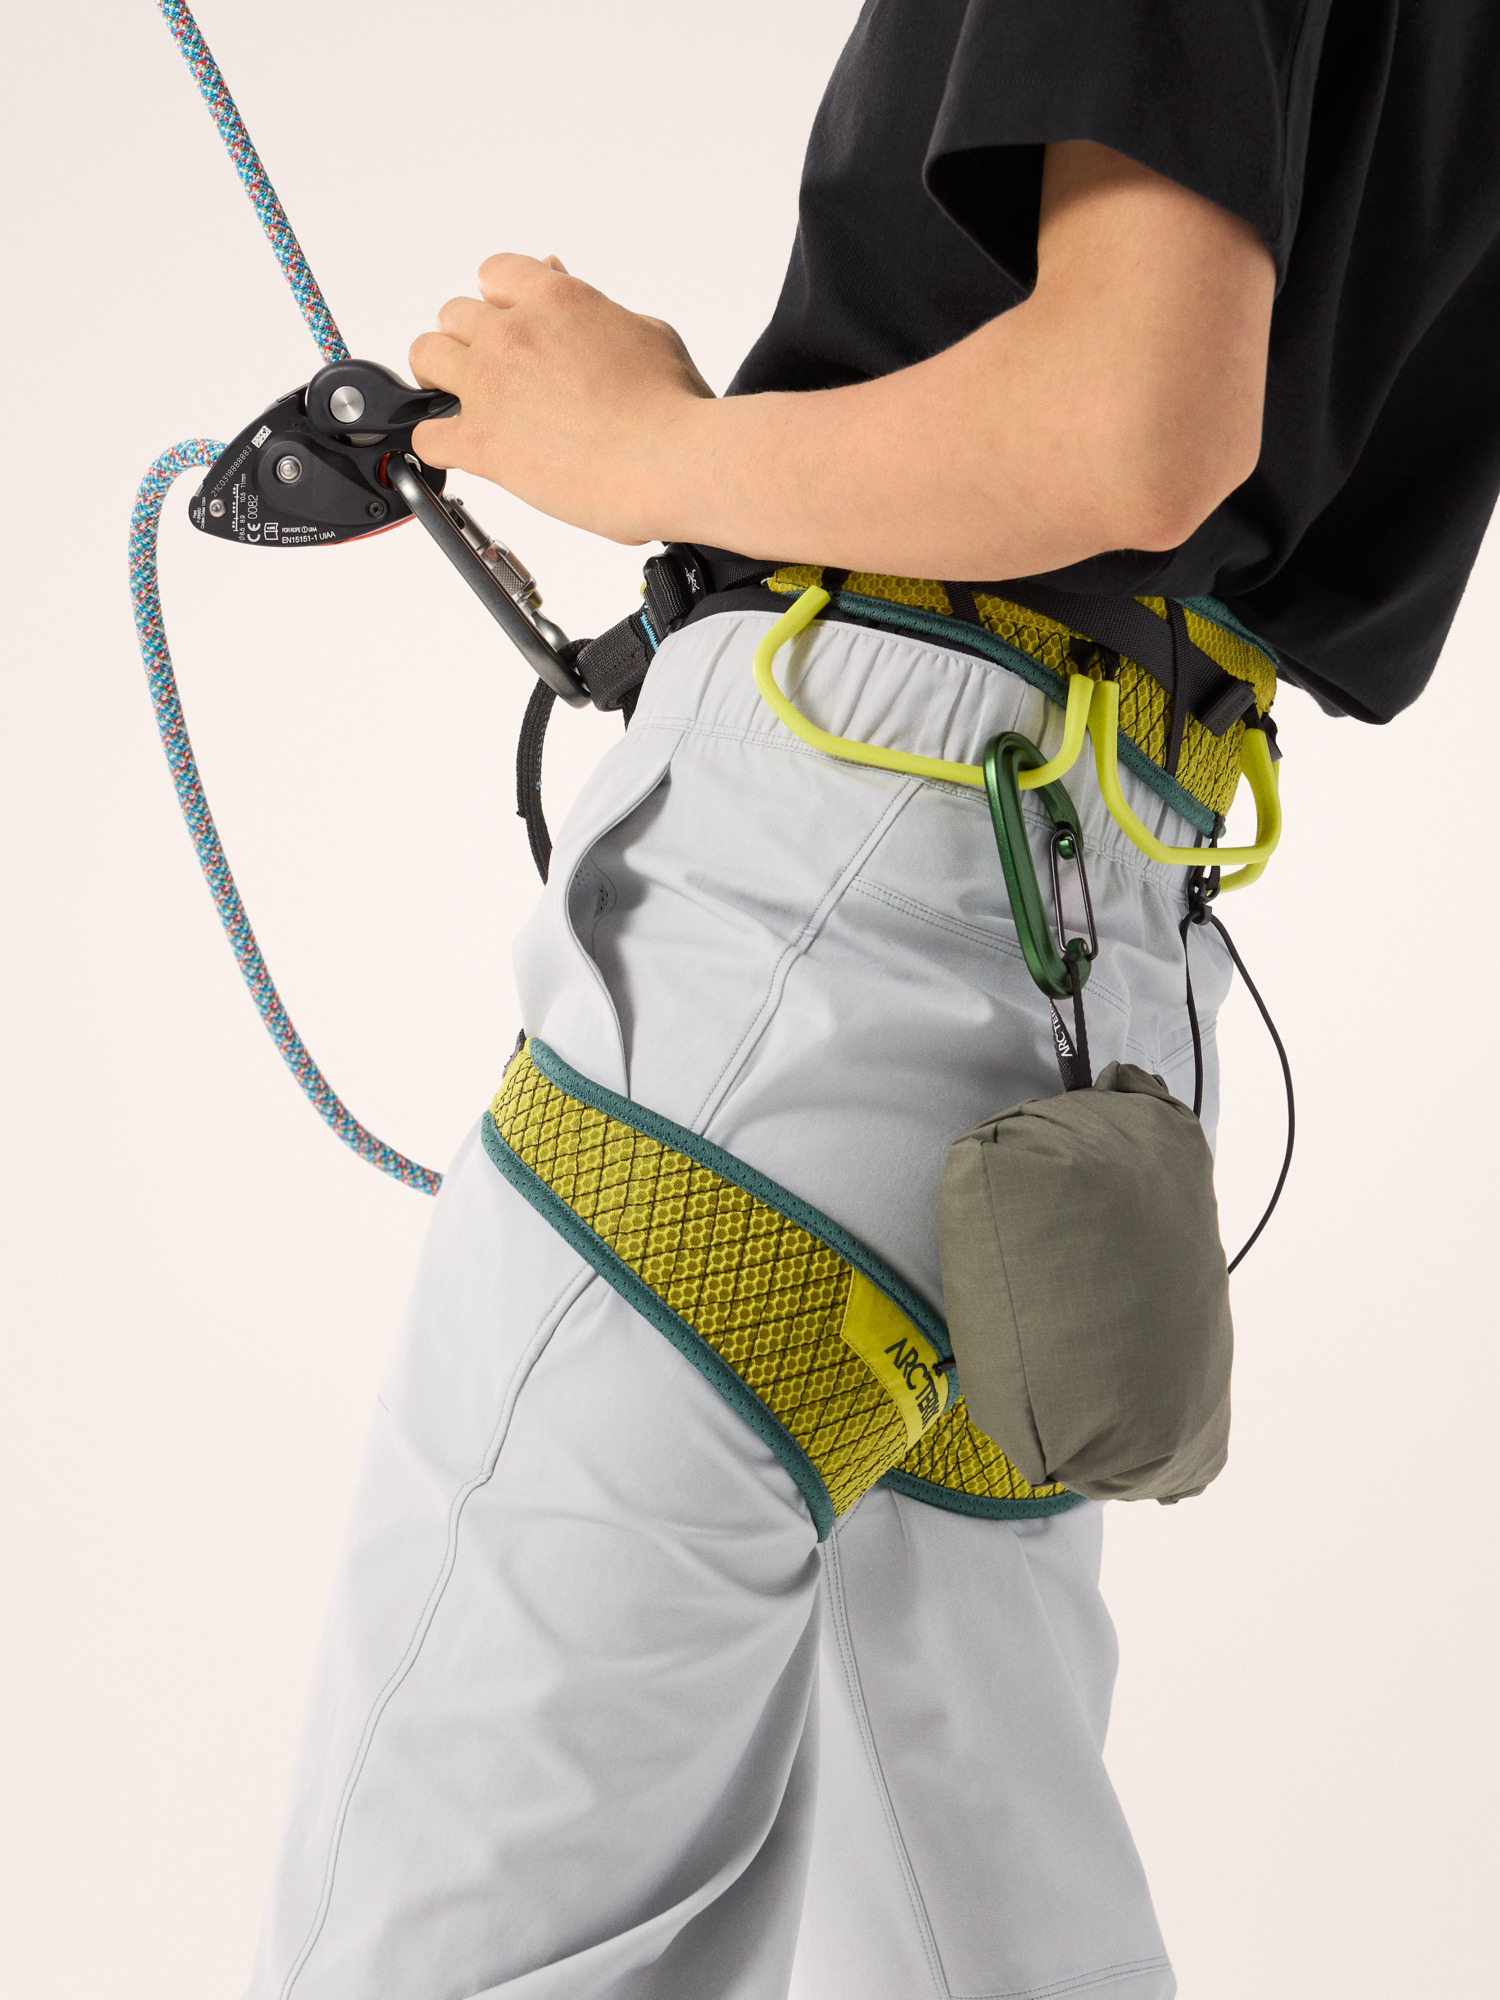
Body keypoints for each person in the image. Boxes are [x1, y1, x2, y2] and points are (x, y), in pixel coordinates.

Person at [244, 5, 1500, 1997]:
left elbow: (1130, 423)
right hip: (1095, 941)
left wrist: (635, 448)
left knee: (445, 1940)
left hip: (836, 884)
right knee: (982, 1932)